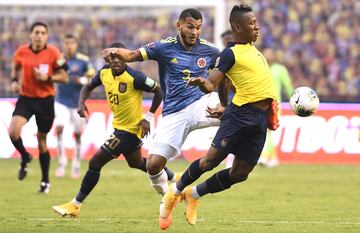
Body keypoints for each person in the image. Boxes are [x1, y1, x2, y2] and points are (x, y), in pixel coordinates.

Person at [159, 4, 279, 229]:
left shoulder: (253, 50)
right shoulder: (230, 53)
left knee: (240, 173)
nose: (257, 27)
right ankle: (173, 193)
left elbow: (241, 84)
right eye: (252, 23)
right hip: (240, 116)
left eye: (256, 22)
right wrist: (202, 84)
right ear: (237, 27)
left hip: (258, 119)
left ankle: (193, 194)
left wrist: (227, 106)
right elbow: (213, 82)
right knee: (209, 161)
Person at [102, 9, 221, 228]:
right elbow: (131, 55)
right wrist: (115, 50)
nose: (194, 32)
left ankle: (236, 157)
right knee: (153, 165)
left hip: (201, 102)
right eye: (190, 26)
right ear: (179, 25)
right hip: (174, 112)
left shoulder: (211, 50)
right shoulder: (164, 47)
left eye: (198, 27)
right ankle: (167, 197)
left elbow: (227, 71)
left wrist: (225, 103)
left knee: (234, 113)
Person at [52, 42, 177, 217]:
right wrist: (81, 103)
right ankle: (173, 177)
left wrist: (148, 117)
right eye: (113, 57)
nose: (116, 60)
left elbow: (159, 91)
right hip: (120, 128)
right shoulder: (103, 73)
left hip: (128, 132)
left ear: (126, 57)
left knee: (94, 163)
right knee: (137, 163)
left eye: (120, 56)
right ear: (108, 58)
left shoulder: (135, 77)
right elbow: (88, 86)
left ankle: (75, 205)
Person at [9, 21, 68, 193]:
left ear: (46, 36)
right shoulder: (21, 51)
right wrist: (14, 81)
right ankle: (26, 156)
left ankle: (45, 181)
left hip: (45, 101)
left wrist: (48, 77)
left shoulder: (53, 52)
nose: (39, 35)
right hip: (26, 99)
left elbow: (64, 76)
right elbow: (15, 68)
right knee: (13, 132)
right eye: (36, 32)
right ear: (31, 35)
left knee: (41, 141)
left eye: (43, 32)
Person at [54, 34, 96, 179]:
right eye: (66, 43)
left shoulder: (83, 60)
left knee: (78, 135)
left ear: (76, 45)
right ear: (63, 44)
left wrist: (82, 79)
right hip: (61, 101)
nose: (69, 46)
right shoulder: (59, 59)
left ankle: (76, 164)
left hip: (77, 103)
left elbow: (92, 75)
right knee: (59, 127)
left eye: (71, 43)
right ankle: (62, 161)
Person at [258, 48, 293, 168]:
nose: (268, 56)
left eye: (270, 54)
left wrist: (293, 100)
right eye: (266, 54)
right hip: (260, 104)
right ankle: (271, 157)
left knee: (269, 132)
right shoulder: (259, 68)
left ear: (273, 55)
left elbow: (287, 86)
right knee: (263, 131)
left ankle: (266, 156)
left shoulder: (280, 69)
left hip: (275, 105)